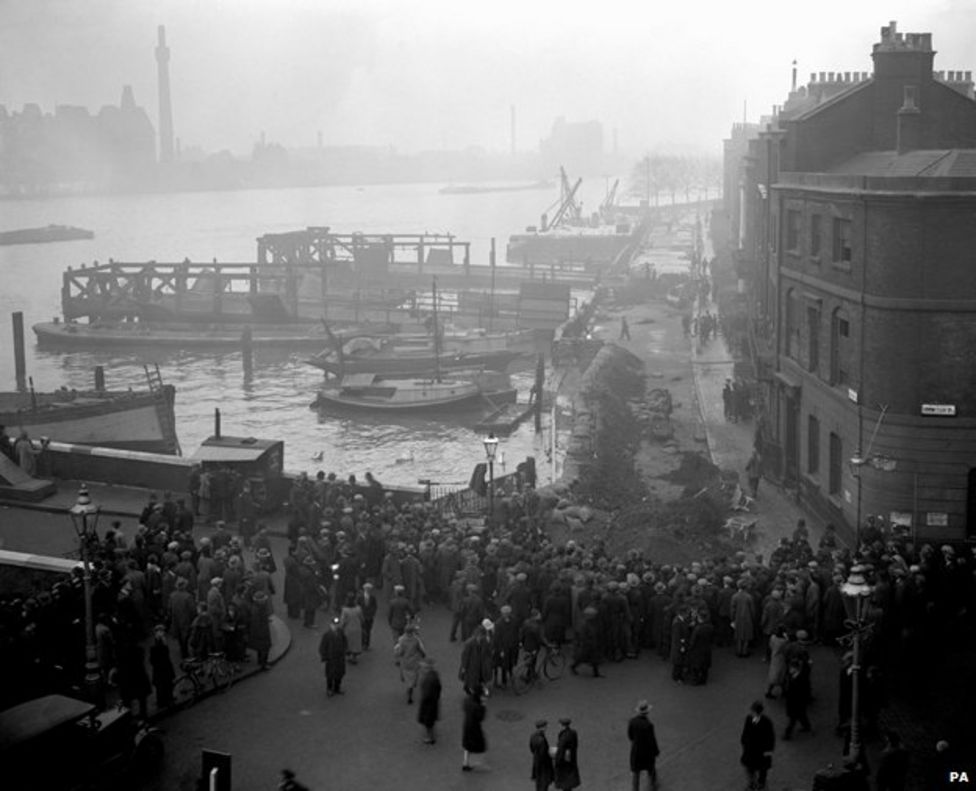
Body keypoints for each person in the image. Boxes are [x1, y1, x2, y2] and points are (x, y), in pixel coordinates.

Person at [740, 700, 775, 791]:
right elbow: (745, 733)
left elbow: (770, 739)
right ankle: (754, 784)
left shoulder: (765, 722)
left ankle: (760, 784)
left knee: (761, 769)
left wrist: (768, 753)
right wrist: (744, 743)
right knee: (753, 769)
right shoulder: (751, 719)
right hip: (752, 751)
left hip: (759, 751)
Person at [628, 700, 660, 791]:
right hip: (647, 752)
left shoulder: (632, 722)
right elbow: (652, 740)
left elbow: (630, 736)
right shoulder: (648, 725)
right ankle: (653, 785)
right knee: (651, 768)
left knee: (636, 772)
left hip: (636, 751)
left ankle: (635, 789)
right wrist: (656, 751)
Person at [394, 621, 427, 704]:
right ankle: (411, 688)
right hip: (415, 661)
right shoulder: (416, 640)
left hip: (406, 661)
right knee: (414, 675)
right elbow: (421, 649)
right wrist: (423, 655)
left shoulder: (402, 640)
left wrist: (398, 655)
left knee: (407, 676)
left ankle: (409, 687)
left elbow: (400, 651)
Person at [318, 617, 348, 697]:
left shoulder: (341, 632)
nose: (336, 626)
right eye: (334, 625)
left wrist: (345, 651)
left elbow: (345, 641)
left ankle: (337, 688)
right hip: (331, 659)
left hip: (340, 658)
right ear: (330, 625)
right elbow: (322, 647)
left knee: (339, 674)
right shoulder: (327, 635)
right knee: (330, 675)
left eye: (337, 625)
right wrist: (325, 656)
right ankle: (329, 689)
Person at [148, 624, 175, 710]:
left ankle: (166, 701)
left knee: (165, 685)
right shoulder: (157, 644)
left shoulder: (162, 642)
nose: (163, 633)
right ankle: (165, 702)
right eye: (161, 631)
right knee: (163, 686)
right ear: (157, 632)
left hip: (163, 668)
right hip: (162, 669)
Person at [417, 657, 442, 745]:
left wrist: (423, 699)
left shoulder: (429, 679)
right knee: (430, 721)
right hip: (433, 702)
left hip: (428, 704)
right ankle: (431, 736)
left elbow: (426, 694)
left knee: (428, 721)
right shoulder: (434, 675)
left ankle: (430, 737)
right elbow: (439, 688)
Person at [461, 688, 487, 772]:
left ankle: (465, 763)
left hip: (466, 725)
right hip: (474, 727)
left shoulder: (467, 699)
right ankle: (476, 763)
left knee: (467, 745)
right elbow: (481, 717)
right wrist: (483, 705)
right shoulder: (477, 706)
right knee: (480, 744)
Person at [553, 717, 581, 790]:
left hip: (564, 763)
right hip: (571, 760)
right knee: (569, 784)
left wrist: (557, 761)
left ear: (562, 725)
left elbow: (561, 750)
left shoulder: (564, 737)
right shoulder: (573, 732)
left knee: (565, 784)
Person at [530, 719, 555, 791]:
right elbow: (543, 755)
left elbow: (531, 748)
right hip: (544, 766)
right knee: (544, 784)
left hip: (536, 762)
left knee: (538, 783)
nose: (546, 727)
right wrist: (551, 755)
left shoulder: (533, 736)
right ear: (542, 727)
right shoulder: (542, 740)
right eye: (545, 726)